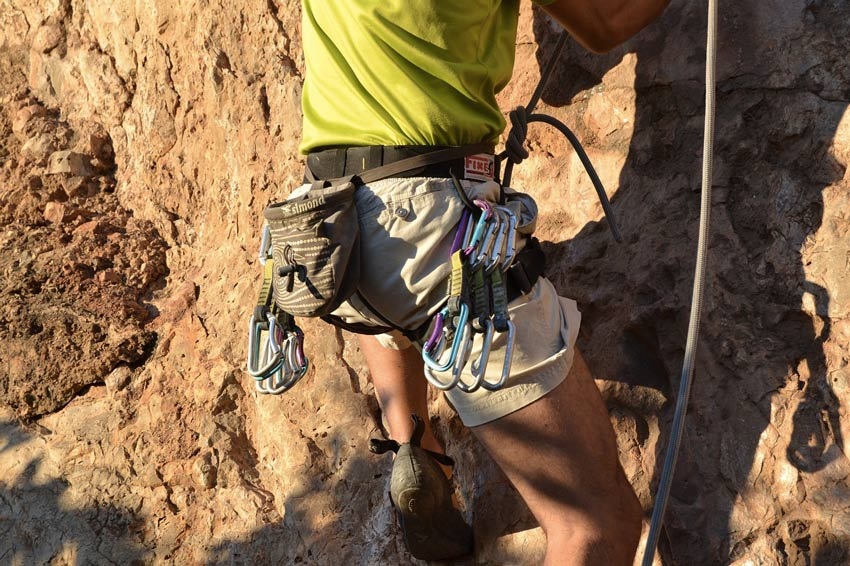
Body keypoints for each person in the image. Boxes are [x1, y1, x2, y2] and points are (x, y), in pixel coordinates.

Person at [297, 1, 670, 564]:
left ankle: (415, 450)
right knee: (596, 523)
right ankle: (417, 452)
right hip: (427, 217)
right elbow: (604, 22)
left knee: (402, 301)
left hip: (334, 224)